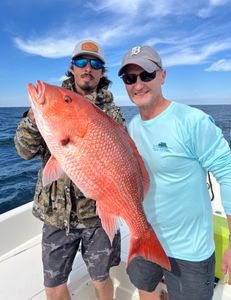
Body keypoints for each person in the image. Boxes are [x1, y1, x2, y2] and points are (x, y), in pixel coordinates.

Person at [14, 40, 126, 300]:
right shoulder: (50, 103)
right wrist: (33, 119)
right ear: (72, 68)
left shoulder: (113, 113)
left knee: (101, 278)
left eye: (96, 63)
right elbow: (24, 151)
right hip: (56, 215)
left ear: (102, 71)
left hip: (97, 218)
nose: (88, 68)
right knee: (53, 286)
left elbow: (120, 162)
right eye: (81, 62)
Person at [118, 45, 231, 300]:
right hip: (143, 236)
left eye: (146, 75)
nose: (138, 84)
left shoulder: (192, 121)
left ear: (162, 76)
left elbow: (227, 171)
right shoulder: (131, 128)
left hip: (189, 250)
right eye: (130, 78)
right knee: (145, 289)